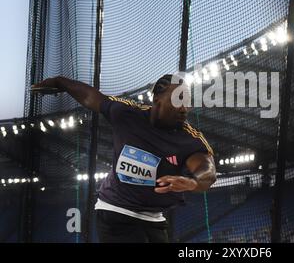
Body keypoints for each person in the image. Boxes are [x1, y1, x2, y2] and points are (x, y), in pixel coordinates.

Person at [32, 74, 216, 243]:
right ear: (157, 100)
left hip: (153, 219)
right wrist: (61, 82)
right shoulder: (128, 114)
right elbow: (92, 97)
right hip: (115, 211)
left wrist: (193, 182)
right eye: (178, 99)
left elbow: (207, 169)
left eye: (187, 101)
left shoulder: (190, 139)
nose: (184, 108)